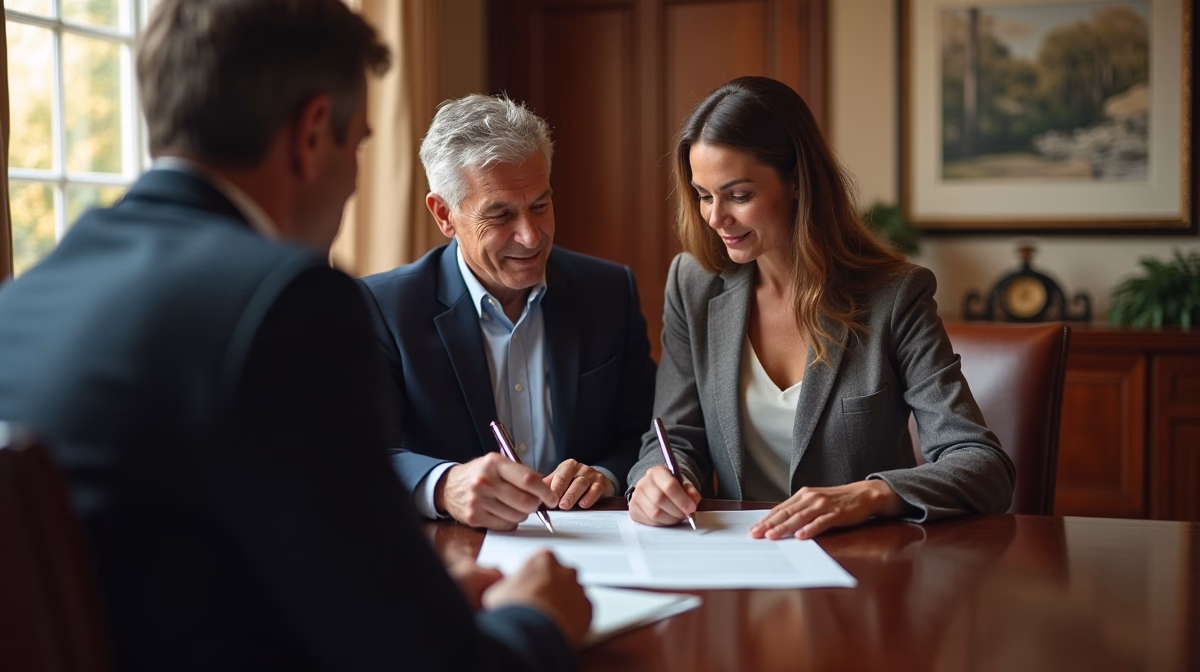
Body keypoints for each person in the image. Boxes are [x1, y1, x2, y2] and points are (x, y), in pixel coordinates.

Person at [0, 1, 589, 670]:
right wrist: (536, 619)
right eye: (360, 142)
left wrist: (413, 598)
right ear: (313, 133)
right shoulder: (286, 301)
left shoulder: (21, 303)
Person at [626, 76, 1015, 539]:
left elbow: (982, 464)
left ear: (795, 181)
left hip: (865, 566)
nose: (715, 218)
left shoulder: (894, 296)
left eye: (739, 195)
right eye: (704, 196)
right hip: (740, 563)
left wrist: (867, 496)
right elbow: (672, 440)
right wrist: (657, 481)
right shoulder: (693, 285)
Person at [359, 93, 657, 530]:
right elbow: (359, 455)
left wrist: (607, 475)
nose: (531, 237)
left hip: (596, 546)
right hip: (458, 559)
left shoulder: (610, 291)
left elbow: (645, 434)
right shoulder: (383, 308)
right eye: (500, 216)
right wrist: (445, 485)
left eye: (541, 205)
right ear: (444, 214)